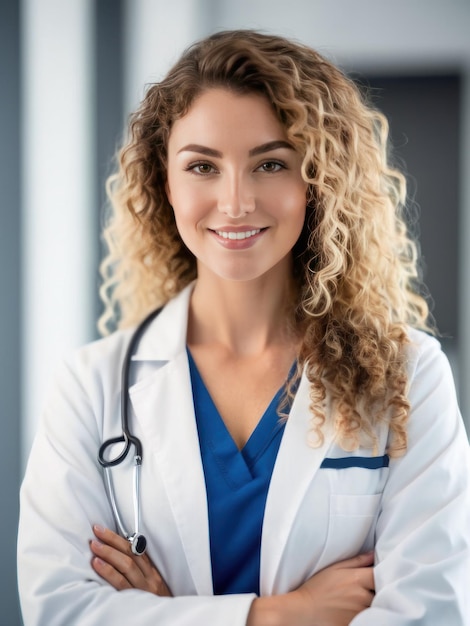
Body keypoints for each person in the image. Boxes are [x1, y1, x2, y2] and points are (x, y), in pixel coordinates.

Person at [17, 29, 470, 625]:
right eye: (203, 165)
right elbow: (62, 610)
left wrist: (173, 615)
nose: (235, 202)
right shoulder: (90, 387)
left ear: (319, 182)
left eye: (271, 164)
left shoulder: (410, 375)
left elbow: (429, 611)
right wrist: (280, 616)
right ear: (165, 182)